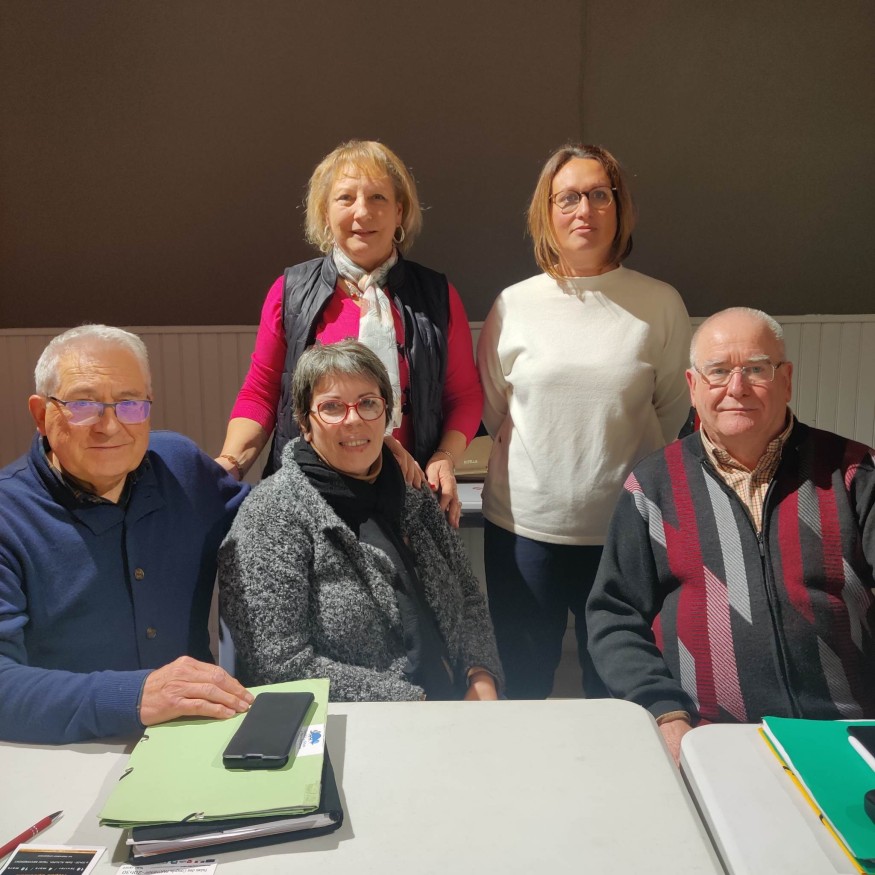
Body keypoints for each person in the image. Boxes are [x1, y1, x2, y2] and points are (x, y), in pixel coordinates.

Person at [586, 307, 875, 763]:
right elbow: (614, 615)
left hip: (845, 733)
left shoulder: (853, 472)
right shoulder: (654, 484)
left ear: (786, 380)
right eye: (718, 371)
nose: (736, 388)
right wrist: (665, 714)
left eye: (756, 369)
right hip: (706, 735)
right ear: (693, 386)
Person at [477, 144, 691, 699]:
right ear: (546, 212)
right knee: (523, 684)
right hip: (524, 530)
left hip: (624, 533)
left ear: (619, 208)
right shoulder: (513, 305)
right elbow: (496, 410)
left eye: (600, 195)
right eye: (568, 197)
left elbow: (671, 409)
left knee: (617, 688)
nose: (585, 210)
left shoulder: (659, 304)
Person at [0, 325, 254, 744]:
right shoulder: (9, 516)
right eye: (82, 404)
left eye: (130, 404)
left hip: (196, 738)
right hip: (64, 754)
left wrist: (353, 454)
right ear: (41, 414)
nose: (110, 426)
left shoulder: (181, 469)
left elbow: (269, 520)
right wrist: (134, 697)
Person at [217, 140, 482, 526]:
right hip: (309, 499)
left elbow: (464, 397)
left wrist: (445, 458)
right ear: (325, 213)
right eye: (345, 198)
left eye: (378, 197)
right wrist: (230, 463)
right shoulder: (289, 292)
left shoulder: (437, 296)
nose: (362, 211)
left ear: (399, 211)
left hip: (409, 497)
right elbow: (261, 393)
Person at [219, 340, 502, 702]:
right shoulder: (272, 514)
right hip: (357, 721)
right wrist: (413, 703)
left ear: (387, 414)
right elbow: (278, 664)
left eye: (368, 403)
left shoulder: (411, 494)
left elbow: (467, 596)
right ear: (305, 422)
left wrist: (481, 674)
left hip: (455, 700)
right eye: (332, 407)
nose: (353, 419)